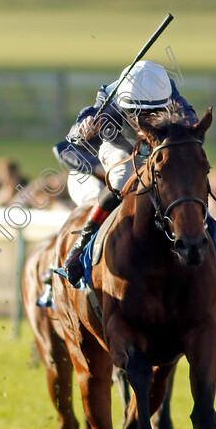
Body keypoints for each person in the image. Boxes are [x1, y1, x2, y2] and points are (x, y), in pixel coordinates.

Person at [60, 61, 197, 286]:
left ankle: (212, 239)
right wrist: (84, 128)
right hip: (120, 143)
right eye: (138, 112)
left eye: (152, 112)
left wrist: (189, 128)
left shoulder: (167, 90)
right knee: (123, 177)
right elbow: (82, 123)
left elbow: (190, 118)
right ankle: (83, 241)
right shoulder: (109, 96)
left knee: (186, 178)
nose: (145, 117)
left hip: (157, 143)